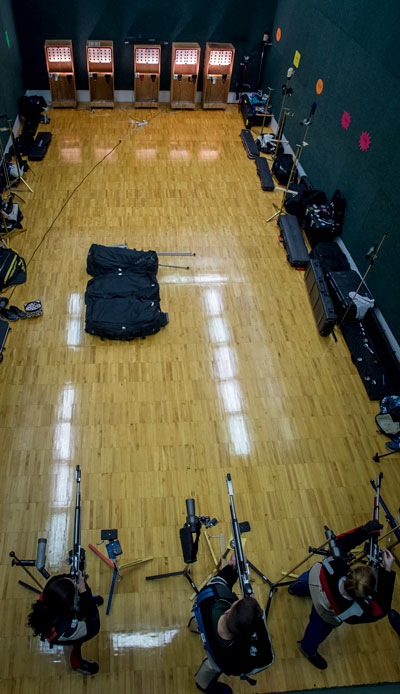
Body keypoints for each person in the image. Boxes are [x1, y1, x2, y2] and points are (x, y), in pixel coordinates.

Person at [288, 520, 396, 670]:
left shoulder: (338, 565)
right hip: (324, 611)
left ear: (351, 572)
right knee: (317, 630)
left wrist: (364, 531)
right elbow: (382, 608)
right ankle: (307, 650)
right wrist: (387, 571)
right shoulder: (355, 609)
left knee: (307, 580)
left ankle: (295, 588)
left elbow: (339, 542)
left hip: (315, 582)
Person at [189, 554, 274, 694]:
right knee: (210, 668)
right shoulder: (234, 659)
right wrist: (259, 621)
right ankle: (202, 684)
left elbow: (220, 581)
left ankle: (193, 626)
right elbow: (267, 658)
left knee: (198, 624)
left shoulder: (212, 595)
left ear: (228, 611)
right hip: (216, 656)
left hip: (202, 620)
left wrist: (231, 568)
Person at [27, 571, 102, 675]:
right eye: (75, 587)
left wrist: (77, 580)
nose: (73, 581)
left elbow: (63, 577)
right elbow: (94, 625)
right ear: (71, 605)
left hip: (64, 617)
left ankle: (86, 599)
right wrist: (84, 592)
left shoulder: (53, 585)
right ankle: (76, 665)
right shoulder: (67, 628)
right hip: (63, 635)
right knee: (73, 646)